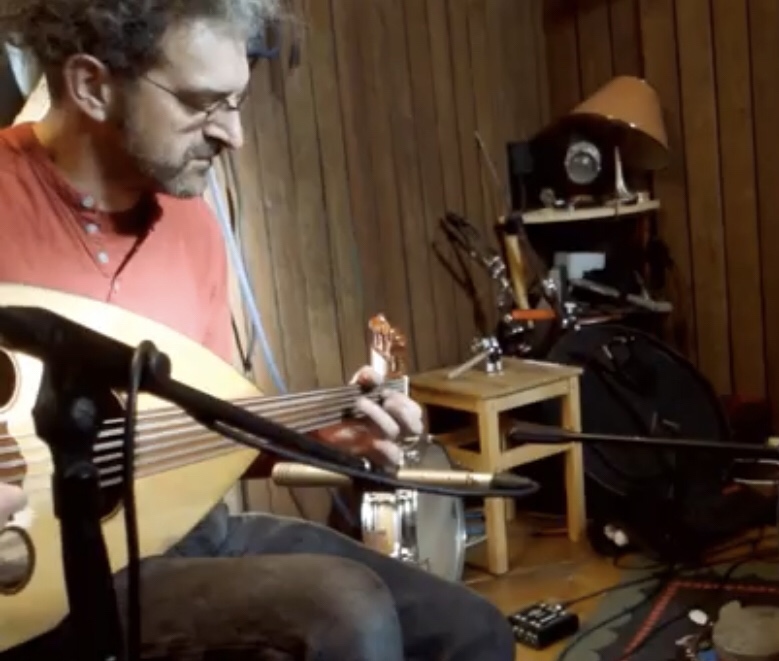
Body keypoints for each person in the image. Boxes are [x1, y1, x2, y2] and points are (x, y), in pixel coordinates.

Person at [0, 1, 514, 659]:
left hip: (194, 534)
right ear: (92, 86)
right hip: (58, 577)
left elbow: (202, 434)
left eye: (237, 102)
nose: (234, 135)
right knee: (344, 611)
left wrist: (319, 437)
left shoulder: (192, 226)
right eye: (204, 104)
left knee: (472, 628)